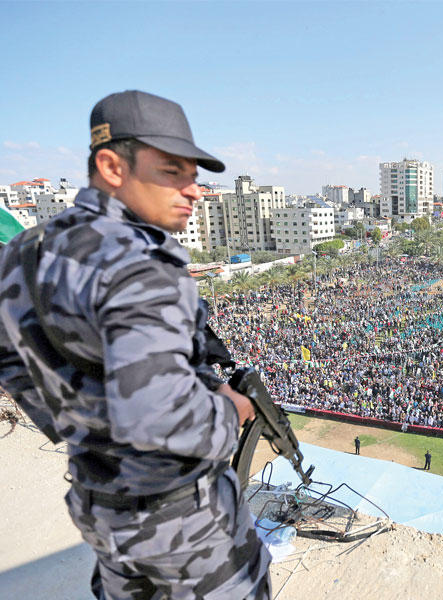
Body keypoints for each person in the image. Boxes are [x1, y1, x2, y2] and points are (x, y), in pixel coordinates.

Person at [0, 91, 271, 598]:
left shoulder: (25, 250)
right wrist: (229, 412)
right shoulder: (141, 264)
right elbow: (158, 416)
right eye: (172, 171)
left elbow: (7, 356)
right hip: (180, 515)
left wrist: (78, 424)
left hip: (96, 499)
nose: (193, 191)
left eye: (194, 174)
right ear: (111, 166)